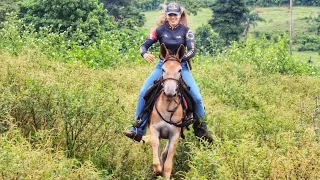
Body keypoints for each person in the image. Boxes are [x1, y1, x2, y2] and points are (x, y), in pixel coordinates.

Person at [123, 2, 213, 143]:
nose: (172, 17)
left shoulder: (186, 31)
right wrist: (144, 54)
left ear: (179, 15)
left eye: (175, 15)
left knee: (197, 98)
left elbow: (192, 50)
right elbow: (144, 45)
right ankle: (137, 130)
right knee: (143, 93)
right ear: (167, 15)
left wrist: (178, 60)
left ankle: (202, 130)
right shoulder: (159, 30)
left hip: (180, 66)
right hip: (162, 67)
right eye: (170, 15)